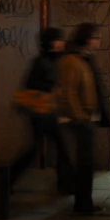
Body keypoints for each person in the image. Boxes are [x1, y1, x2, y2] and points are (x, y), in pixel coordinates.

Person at [10, 28, 73, 194]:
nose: (62, 42)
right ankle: (8, 177)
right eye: (59, 39)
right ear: (52, 42)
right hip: (41, 112)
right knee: (40, 149)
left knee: (58, 147)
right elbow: (30, 83)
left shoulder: (58, 59)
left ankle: (65, 184)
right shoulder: (41, 61)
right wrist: (51, 87)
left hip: (50, 111)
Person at [57, 23, 110, 215]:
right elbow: (67, 93)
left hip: (88, 118)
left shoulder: (85, 58)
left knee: (86, 164)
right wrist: (81, 117)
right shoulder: (72, 61)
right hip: (81, 120)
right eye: (96, 37)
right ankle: (82, 204)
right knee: (84, 164)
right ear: (87, 39)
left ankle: (83, 202)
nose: (99, 41)